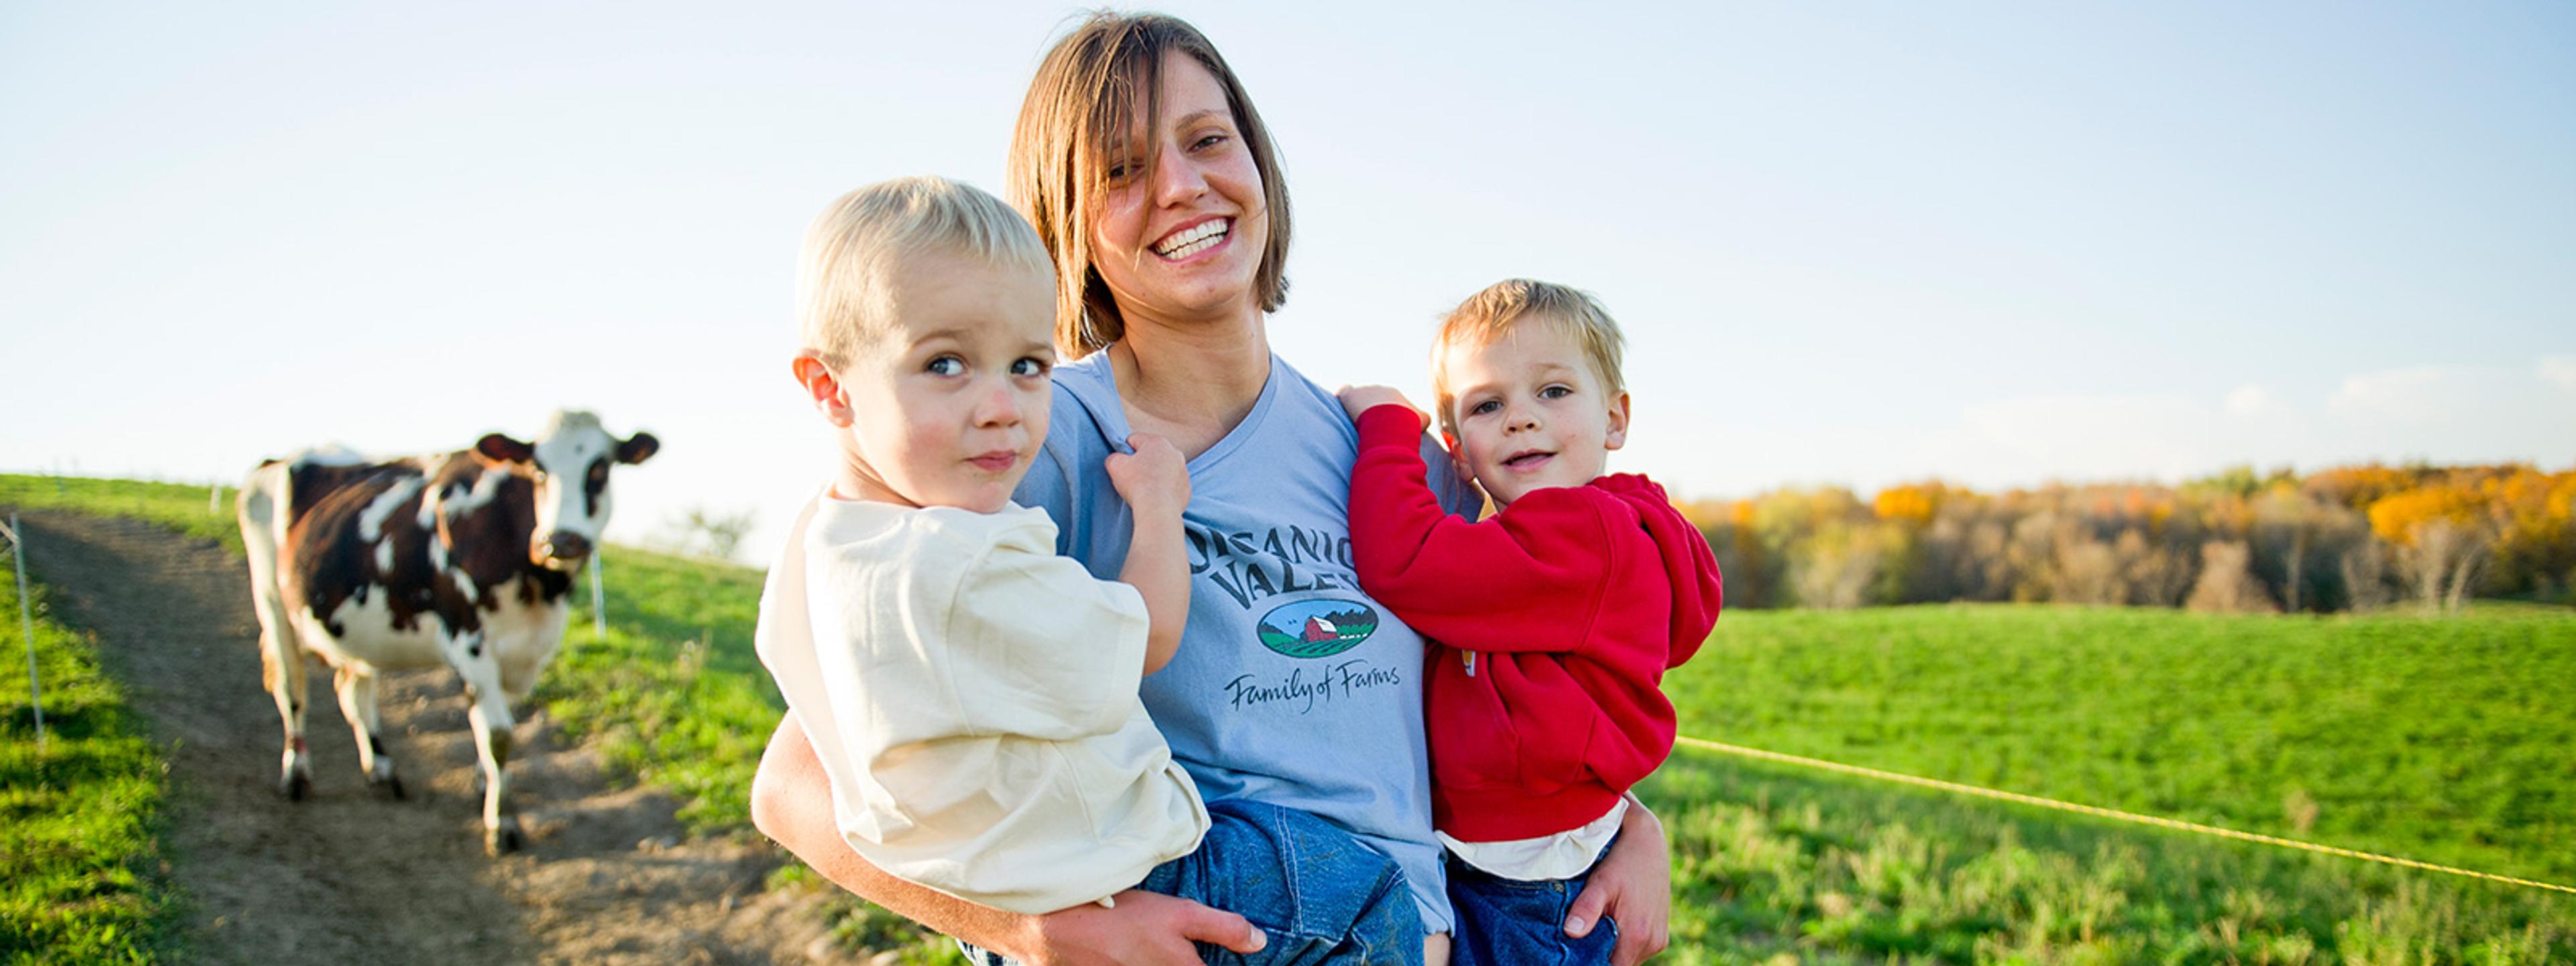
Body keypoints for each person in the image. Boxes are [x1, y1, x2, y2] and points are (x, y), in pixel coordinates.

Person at [749, 13, 1677, 965]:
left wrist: (1628, 825)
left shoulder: (1399, 462)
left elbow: (1500, 704)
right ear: (1063, 219)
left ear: (1258, 162)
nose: (1182, 187)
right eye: (1120, 169)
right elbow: (797, 785)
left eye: (1206, 141)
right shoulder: (1031, 445)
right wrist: (1034, 932)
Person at [758, 174, 1421, 963]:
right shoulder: (979, 526)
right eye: (943, 365)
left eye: (1027, 365)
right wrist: (1157, 509)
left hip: (1049, 883)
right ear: (831, 388)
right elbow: (1146, 633)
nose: (1001, 405)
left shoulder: (822, 547)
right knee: (1365, 894)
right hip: (1126, 885)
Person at [1336, 280, 1723, 966]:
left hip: (1526, 889)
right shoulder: (1569, 539)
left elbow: (1408, 564)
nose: (1521, 418)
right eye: (1489, 404)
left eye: (1553, 392)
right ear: (1458, 446)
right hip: (1531, 862)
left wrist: (1388, 430)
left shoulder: (1586, 532)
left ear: (1615, 418)